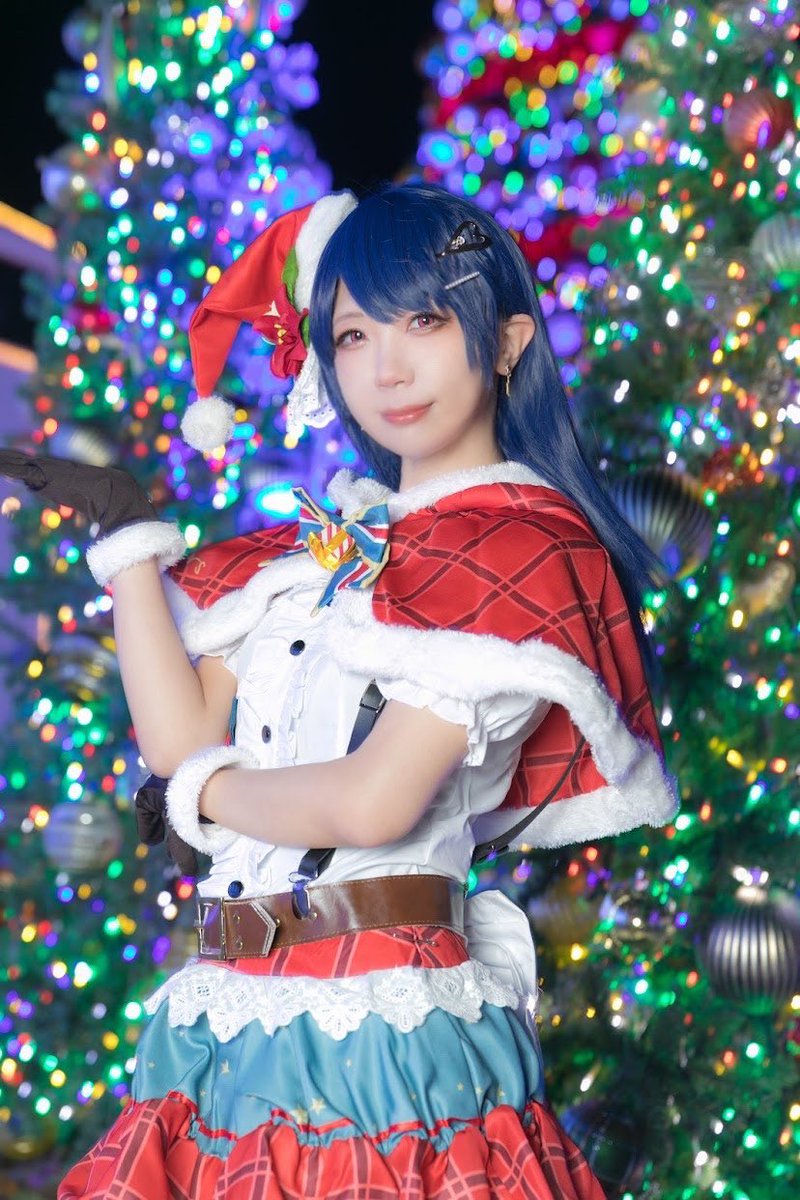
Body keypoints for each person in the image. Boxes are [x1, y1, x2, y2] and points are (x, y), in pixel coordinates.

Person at [2, 183, 676, 1199]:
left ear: (506, 342)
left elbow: (373, 801)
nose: (386, 368)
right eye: (354, 335)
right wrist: (128, 544)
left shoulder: (522, 550)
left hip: (383, 1033)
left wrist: (200, 798)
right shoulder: (316, 552)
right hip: (225, 1016)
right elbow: (179, 736)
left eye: (424, 322)